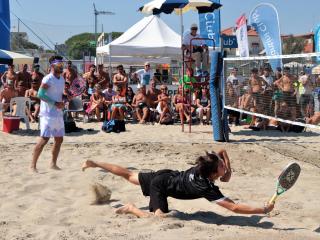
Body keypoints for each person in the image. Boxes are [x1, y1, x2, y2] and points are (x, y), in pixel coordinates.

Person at [82, 149, 274, 218]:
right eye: (222, 167)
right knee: (158, 218)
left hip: (168, 174)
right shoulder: (206, 187)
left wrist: (228, 169)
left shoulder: (203, 165)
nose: (224, 166)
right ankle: (132, 209)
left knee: (129, 174)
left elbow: (222, 150)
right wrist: (262, 210)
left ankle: (94, 163)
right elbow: (234, 207)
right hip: (162, 186)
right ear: (214, 173)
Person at [31, 56, 65, 173]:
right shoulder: (47, 78)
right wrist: (55, 103)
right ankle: (33, 166)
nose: (61, 66)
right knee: (44, 140)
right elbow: (40, 94)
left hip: (58, 114)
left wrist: (65, 98)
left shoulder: (61, 79)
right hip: (47, 114)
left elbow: (59, 95)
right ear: (52, 66)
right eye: (59, 64)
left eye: (62, 64)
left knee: (59, 139)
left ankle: (53, 164)